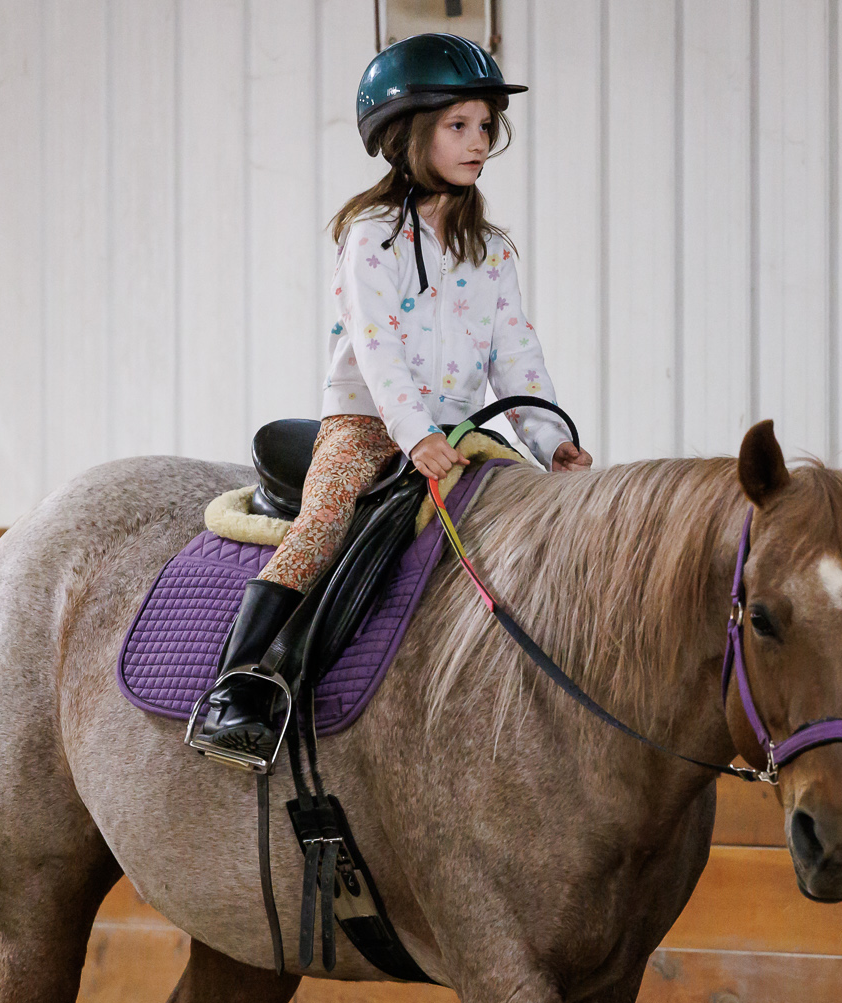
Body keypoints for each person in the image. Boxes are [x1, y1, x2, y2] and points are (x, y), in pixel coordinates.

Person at [190, 32, 590, 766]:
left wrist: (549, 437)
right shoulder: (370, 236)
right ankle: (239, 684)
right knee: (327, 518)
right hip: (371, 423)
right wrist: (410, 432)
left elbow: (516, 355)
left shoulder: (492, 250)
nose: (479, 141)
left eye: (484, 126)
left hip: (461, 431)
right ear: (407, 136)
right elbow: (377, 348)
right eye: (458, 126)